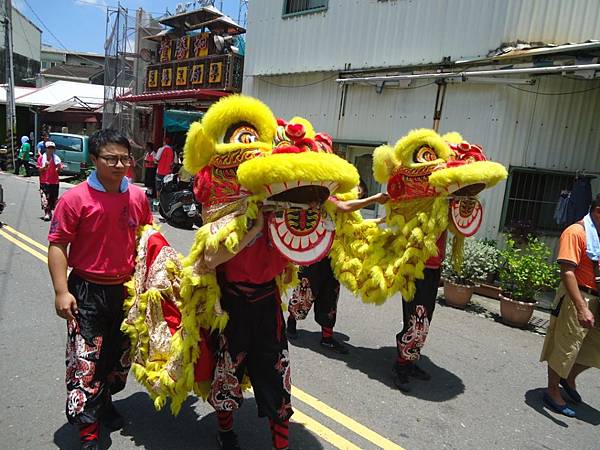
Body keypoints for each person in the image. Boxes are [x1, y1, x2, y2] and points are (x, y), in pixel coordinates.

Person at [47, 129, 154, 449]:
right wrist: (60, 291)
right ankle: (88, 433)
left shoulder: (137, 196)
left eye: (125, 158)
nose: (119, 164)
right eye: (111, 158)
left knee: (118, 359)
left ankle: (105, 402)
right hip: (86, 292)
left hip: (126, 292)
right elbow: (57, 245)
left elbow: (149, 239)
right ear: (94, 160)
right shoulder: (74, 198)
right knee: (86, 361)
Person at [204, 205, 294, 450]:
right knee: (227, 370)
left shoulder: (283, 213)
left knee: (277, 373)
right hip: (234, 304)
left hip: (267, 304)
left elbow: (289, 269)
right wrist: (253, 229)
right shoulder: (227, 211)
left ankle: (281, 444)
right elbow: (210, 259)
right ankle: (226, 431)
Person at [287, 186, 389, 354]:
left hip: (335, 259)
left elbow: (358, 225)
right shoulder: (327, 199)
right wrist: (374, 199)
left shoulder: (350, 209)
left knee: (330, 296)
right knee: (305, 291)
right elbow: (343, 207)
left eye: (361, 193)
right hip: (315, 253)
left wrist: (381, 221)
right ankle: (292, 321)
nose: (358, 193)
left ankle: (327, 337)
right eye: (357, 190)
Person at [539, 194, 600, 418]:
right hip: (579, 296)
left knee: (594, 348)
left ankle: (568, 377)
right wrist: (581, 307)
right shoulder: (576, 232)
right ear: (598, 211)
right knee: (566, 345)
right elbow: (567, 271)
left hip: (597, 297)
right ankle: (552, 390)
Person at [393, 230, 447, 392]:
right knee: (415, 320)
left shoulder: (445, 206)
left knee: (424, 321)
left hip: (433, 266)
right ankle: (400, 365)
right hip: (416, 266)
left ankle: (409, 361)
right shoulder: (418, 205)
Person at [38, 141, 64, 221]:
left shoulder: (56, 159)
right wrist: (44, 167)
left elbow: (59, 168)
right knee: (45, 198)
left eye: (52, 148)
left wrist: (59, 168)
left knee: (53, 198)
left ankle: (52, 212)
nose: (50, 150)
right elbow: (39, 169)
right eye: (49, 148)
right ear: (46, 149)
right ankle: (47, 213)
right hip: (44, 181)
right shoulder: (42, 158)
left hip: (54, 182)